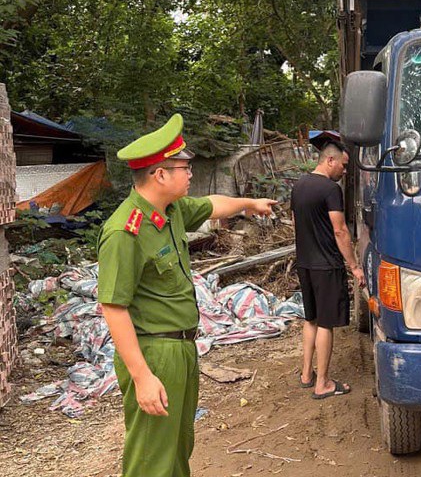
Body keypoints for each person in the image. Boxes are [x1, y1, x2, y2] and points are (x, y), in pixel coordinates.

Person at [97, 113, 277, 477]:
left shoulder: (171, 211)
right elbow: (113, 308)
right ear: (160, 174)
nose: (190, 173)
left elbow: (212, 204)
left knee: (177, 449)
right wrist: (143, 376)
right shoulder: (124, 231)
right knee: (151, 460)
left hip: (182, 349)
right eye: (183, 167)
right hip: (154, 353)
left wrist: (249, 203)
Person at [291, 140, 365, 399]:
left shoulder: (299, 185)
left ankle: (306, 374)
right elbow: (340, 230)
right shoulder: (330, 189)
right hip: (326, 265)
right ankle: (322, 383)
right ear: (330, 160)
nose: (345, 171)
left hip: (305, 263)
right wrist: (354, 266)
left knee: (310, 319)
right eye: (344, 166)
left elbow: (296, 224)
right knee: (325, 323)